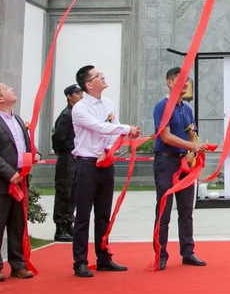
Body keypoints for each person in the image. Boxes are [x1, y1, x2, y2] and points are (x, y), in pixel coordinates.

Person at [71, 65, 139, 278]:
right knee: (83, 215)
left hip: (105, 163)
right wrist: (128, 129)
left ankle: (103, 257)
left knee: (103, 215)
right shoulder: (80, 108)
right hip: (86, 164)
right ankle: (80, 262)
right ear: (88, 84)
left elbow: (112, 132)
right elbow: (100, 127)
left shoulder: (109, 104)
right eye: (98, 75)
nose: (103, 76)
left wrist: (108, 151)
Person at [0, 81, 39, 282]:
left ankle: (18, 264)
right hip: (0, 183)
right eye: (5, 88)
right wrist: (9, 172)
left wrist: (33, 154)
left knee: (17, 224)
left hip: (20, 180)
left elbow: (23, 146)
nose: (11, 88)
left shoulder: (18, 120)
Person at [152, 67, 208, 270]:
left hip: (184, 163)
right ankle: (161, 254)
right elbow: (165, 136)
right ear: (169, 82)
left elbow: (192, 132)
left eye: (187, 81)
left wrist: (192, 152)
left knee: (186, 209)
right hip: (166, 162)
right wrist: (192, 146)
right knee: (164, 209)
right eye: (181, 80)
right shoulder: (162, 106)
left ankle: (188, 252)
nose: (185, 84)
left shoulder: (186, 109)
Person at [51, 84, 82, 242]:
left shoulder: (77, 113)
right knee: (64, 191)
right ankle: (60, 226)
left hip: (76, 155)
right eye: (77, 93)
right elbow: (58, 138)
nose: (80, 95)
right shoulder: (66, 115)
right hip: (67, 155)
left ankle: (70, 222)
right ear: (69, 96)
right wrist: (62, 152)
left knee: (73, 191)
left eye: (81, 92)